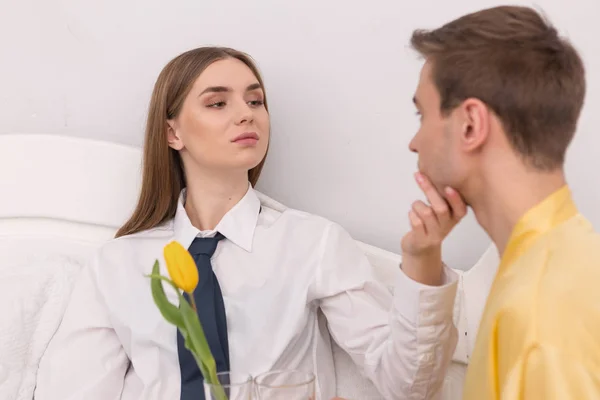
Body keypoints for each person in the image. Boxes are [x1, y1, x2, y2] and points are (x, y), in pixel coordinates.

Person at [35, 46, 467, 400]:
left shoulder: (312, 245)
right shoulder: (117, 265)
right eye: (218, 103)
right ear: (172, 134)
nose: (246, 114)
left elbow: (410, 386)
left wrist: (423, 261)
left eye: (255, 100)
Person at [408, 5, 600, 399]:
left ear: (470, 125)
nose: (414, 142)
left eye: (421, 114)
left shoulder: (542, 318)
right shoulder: (554, 256)